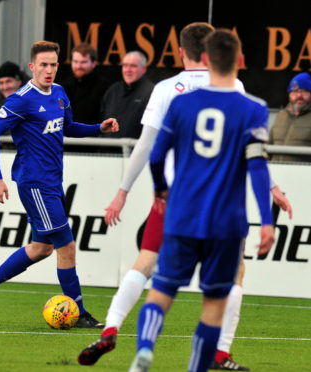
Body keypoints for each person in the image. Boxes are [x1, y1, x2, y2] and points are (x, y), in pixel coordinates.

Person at [78, 22, 292, 370]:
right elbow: (255, 160)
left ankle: (122, 332)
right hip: (225, 208)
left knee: (152, 272)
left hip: (179, 201)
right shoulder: (244, 98)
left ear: (183, 52)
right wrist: (270, 201)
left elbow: (150, 148)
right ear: (232, 59)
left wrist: (142, 190)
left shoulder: (171, 93)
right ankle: (216, 354)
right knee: (225, 286)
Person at [129, 29, 275, 372]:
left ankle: (145, 349)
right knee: (213, 304)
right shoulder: (254, 109)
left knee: (161, 291)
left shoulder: (181, 103)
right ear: (239, 61)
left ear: (205, 59)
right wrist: (266, 221)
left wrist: (160, 188)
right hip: (226, 222)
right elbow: (257, 168)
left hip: (182, 214)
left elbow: (154, 155)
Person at [0, 40, 119, 328]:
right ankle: (78, 313)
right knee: (67, 246)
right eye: (43, 65)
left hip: (52, 181)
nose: (49, 70)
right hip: (34, 183)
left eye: (53, 64)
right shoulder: (21, 99)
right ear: (32, 67)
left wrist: (98, 128)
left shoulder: (60, 93)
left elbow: (69, 127)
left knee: (42, 248)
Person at [100, 51, 154, 140]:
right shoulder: (113, 90)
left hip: (134, 152)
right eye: (125, 65)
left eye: (133, 66)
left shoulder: (151, 92)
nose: (128, 70)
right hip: (107, 151)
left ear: (144, 69)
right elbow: (101, 119)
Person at [60, 42, 111, 124]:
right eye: (75, 61)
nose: (78, 66)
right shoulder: (63, 86)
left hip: (92, 135)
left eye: (83, 62)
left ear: (94, 63)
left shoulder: (104, 87)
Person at [269, 72, 311, 162]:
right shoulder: (281, 115)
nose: (299, 95)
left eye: (304, 91)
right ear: (289, 94)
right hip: (276, 172)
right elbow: (268, 147)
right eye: (295, 91)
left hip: (303, 174)